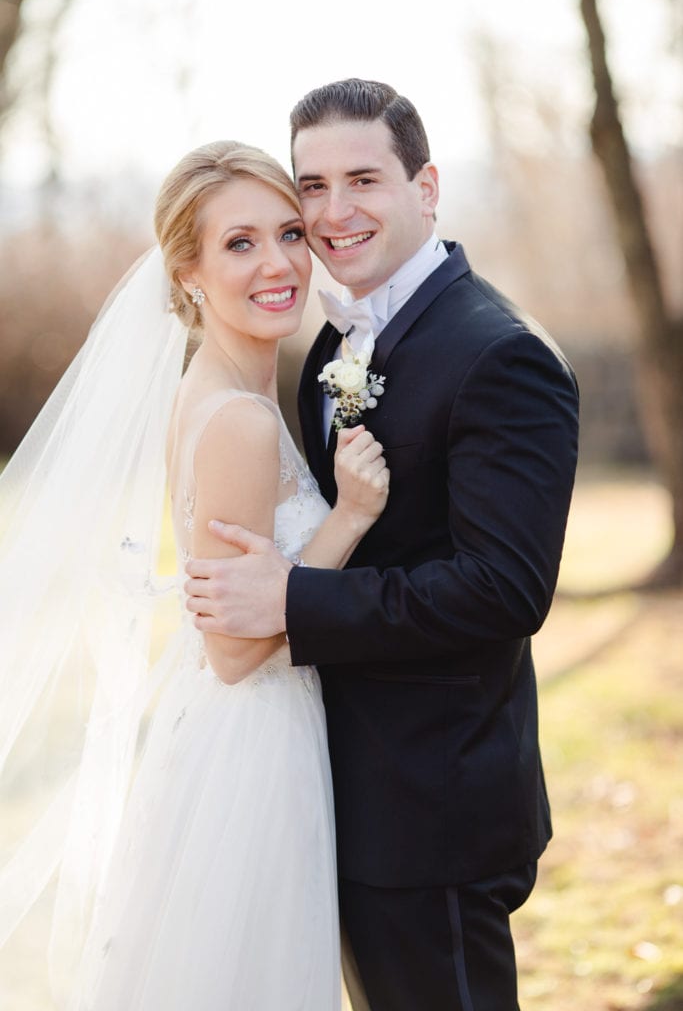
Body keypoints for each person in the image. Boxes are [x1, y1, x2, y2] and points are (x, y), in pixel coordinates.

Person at [185, 79, 580, 1011]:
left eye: (362, 179)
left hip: (431, 804)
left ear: (427, 186)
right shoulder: (332, 348)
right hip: (342, 788)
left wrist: (290, 601)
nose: (332, 211)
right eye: (311, 186)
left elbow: (501, 591)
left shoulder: (497, 354)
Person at [0, 141, 389, 1010]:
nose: (280, 262)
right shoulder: (237, 423)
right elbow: (234, 651)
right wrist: (350, 519)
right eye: (239, 244)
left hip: (226, 733)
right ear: (188, 274)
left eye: (289, 232)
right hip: (248, 747)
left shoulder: (217, 389)